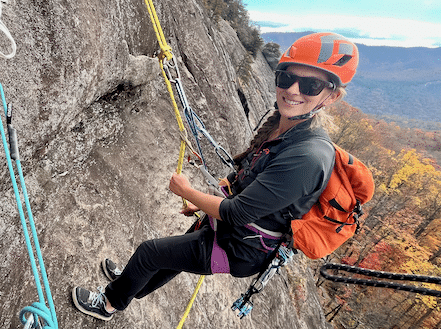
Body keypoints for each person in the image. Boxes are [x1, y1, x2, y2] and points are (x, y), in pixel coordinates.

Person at [72, 32, 359, 321]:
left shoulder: (308, 157)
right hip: (233, 231)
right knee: (167, 260)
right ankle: (131, 283)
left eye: (311, 84)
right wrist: (205, 203)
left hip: (240, 246)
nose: (294, 90)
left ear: (331, 95)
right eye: (286, 78)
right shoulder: (284, 130)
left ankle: (109, 303)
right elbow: (247, 183)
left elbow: (238, 212)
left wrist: (187, 192)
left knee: (149, 253)